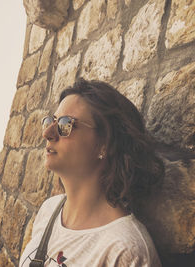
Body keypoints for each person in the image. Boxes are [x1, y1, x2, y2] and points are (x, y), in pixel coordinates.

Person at [19, 78, 165, 267]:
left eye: (65, 124)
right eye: (51, 121)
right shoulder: (49, 210)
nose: (47, 133)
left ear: (104, 144)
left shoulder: (125, 250)